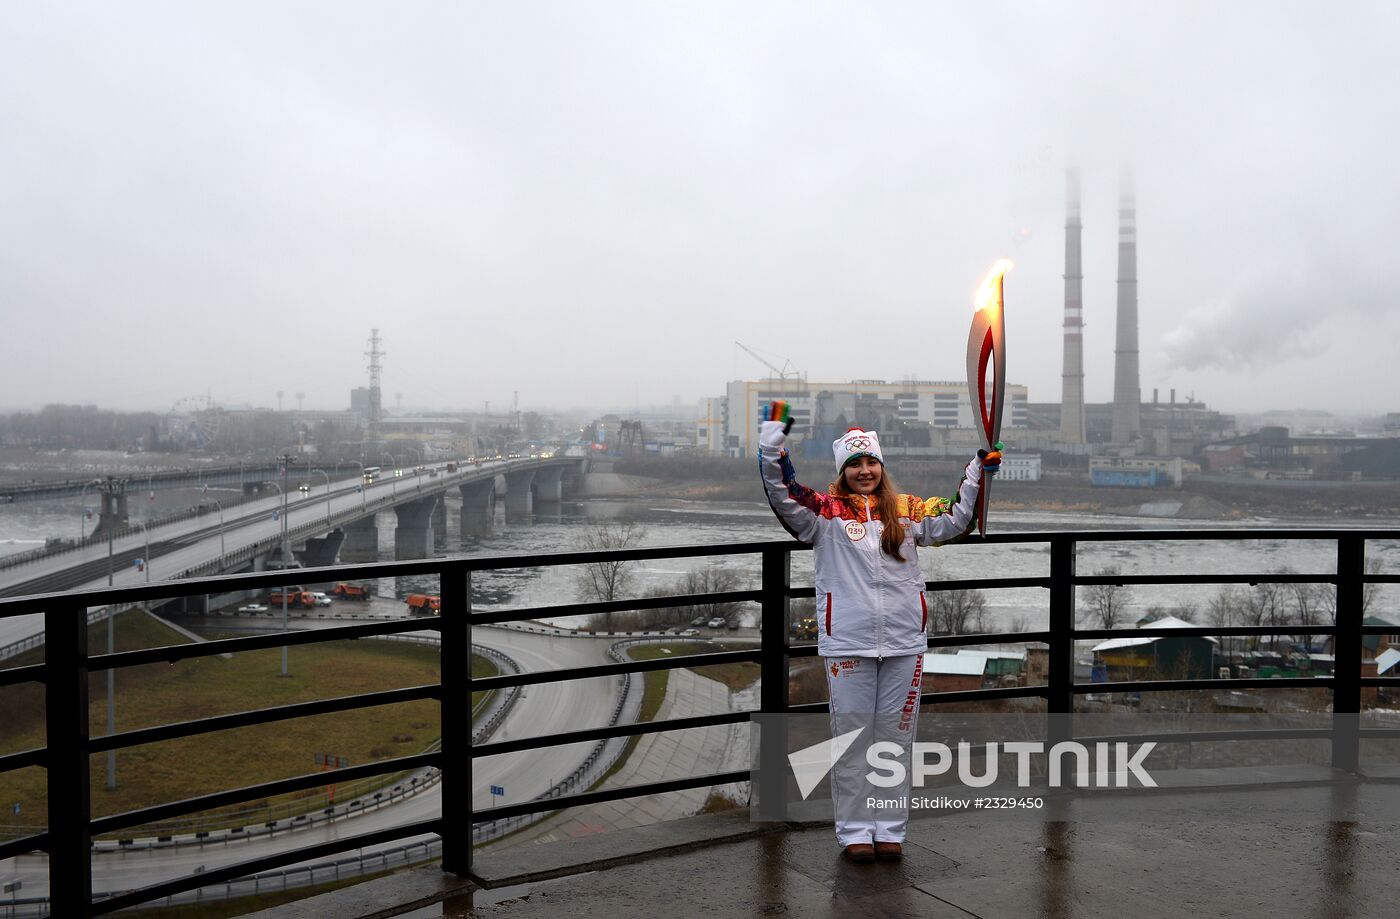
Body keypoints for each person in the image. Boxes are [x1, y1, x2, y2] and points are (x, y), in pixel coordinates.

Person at [757, 403, 1000, 863]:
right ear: (842, 470)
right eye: (854, 464)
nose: (864, 470)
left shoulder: (907, 510)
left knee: (895, 741)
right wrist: (773, 441)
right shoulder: (822, 514)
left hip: (905, 642)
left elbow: (956, 519)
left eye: (870, 462)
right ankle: (853, 833)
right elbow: (781, 491)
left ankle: (888, 828)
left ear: (881, 466)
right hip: (848, 644)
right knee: (851, 739)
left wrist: (978, 471)